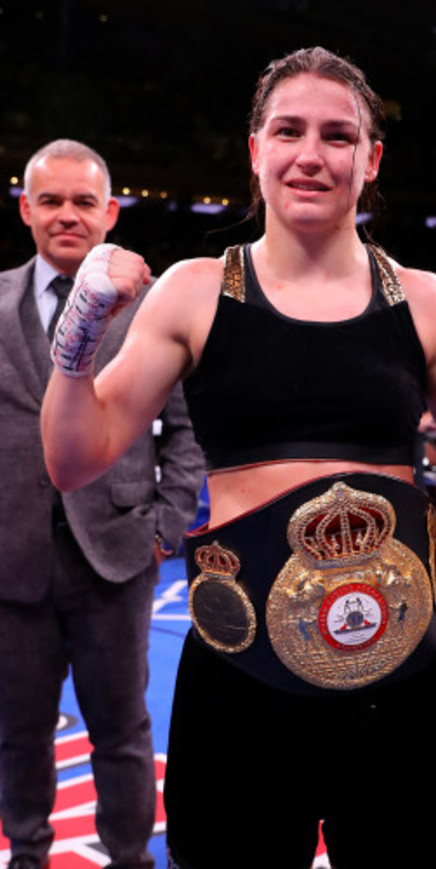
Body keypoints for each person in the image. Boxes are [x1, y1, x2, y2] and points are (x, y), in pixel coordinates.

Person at [41, 50, 436, 868]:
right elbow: (73, 459)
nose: (311, 153)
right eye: (289, 130)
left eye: (337, 135)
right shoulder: (195, 290)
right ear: (254, 149)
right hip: (242, 672)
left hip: (403, 674)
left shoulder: (426, 299)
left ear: (371, 158)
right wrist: (79, 337)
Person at [0, 139, 205, 868]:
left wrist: (163, 528)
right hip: (11, 564)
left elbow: (188, 437)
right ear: (26, 208)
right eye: (50, 200)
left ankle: (130, 859)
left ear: (110, 213)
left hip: (118, 559)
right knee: (18, 730)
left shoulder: (154, 311)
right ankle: (25, 854)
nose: (66, 215)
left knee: (122, 730)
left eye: (84, 201)